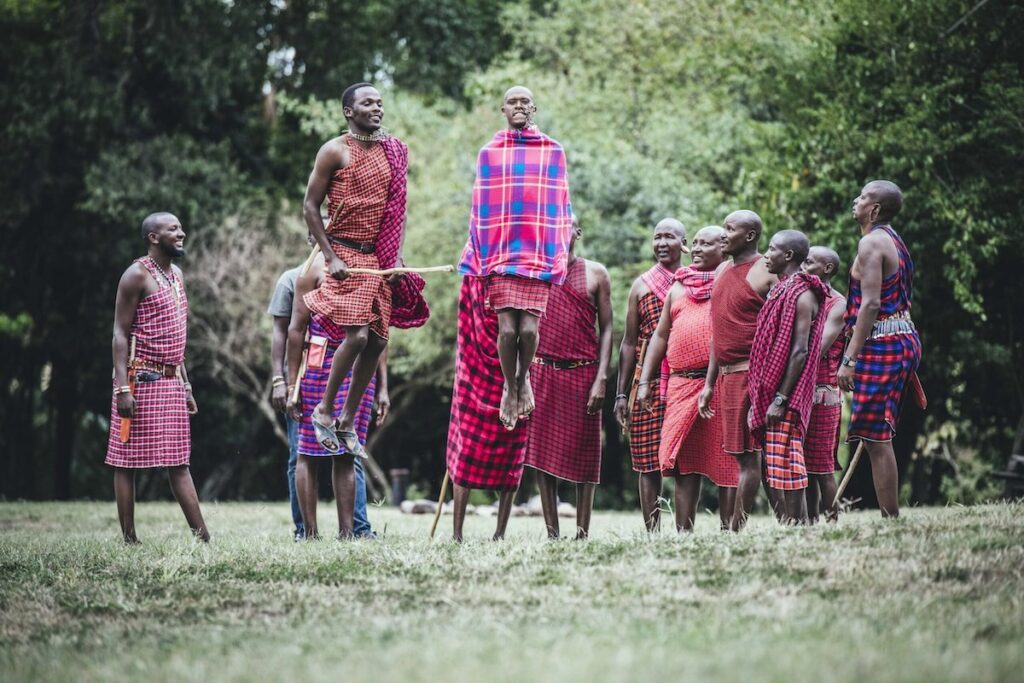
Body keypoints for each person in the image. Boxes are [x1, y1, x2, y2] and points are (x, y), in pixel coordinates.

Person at [303, 82, 428, 455]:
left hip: (378, 261)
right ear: (348, 111)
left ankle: (346, 421)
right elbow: (310, 207)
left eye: (379, 102)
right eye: (367, 103)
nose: (377, 108)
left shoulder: (393, 152)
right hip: (343, 253)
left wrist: (396, 258)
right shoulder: (334, 151)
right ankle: (324, 412)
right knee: (356, 337)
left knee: (378, 340)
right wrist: (331, 257)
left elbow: (398, 213)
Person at [457, 85, 574, 430]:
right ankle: (512, 386)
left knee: (529, 332)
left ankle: (523, 379)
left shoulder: (553, 151)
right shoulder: (489, 153)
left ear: (534, 108)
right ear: (503, 110)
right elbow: (480, 208)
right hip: (501, 253)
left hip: (537, 253)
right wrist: (476, 252)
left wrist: (560, 250)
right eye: (512, 101)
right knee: (508, 332)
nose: (519, 106)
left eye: (525, 101)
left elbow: (561, 205)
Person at [106, 212, 209, 543]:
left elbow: (177, 338)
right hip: (138, 380)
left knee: (179, 461)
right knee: (126, 462)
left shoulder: (177, 274)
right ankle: (129, 537)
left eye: (180, 227)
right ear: (153, 237)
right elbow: (120, 335)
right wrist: (122, 388)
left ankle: (203, 538)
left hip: (172, 380)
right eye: (173, 229)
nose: (182, 233)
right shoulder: (135, 275)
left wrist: (187, 384)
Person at [637, 226, 738, 531]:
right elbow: (660, 335)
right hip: (681, 385)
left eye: (705, 245)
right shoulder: (678, 287)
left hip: (721, 383)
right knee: (682, 460)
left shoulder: (732, 283)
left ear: (724, 248)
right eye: (694, 244)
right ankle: (684, 531)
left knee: (728, 459)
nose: (695, 249)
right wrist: (644, 381)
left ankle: (728, 529)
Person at [285, 251, 388, 539]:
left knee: (346, 452)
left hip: (357, 370)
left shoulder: (371, 264)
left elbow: (380, 332)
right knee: (307, 451)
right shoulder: (311, 270)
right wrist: (292, 384)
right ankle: (310, 533)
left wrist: (383, 386)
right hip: (318, 365)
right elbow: (296, 329)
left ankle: (348, 532)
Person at [523, 216, 613, 539]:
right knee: (540, 454)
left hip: (583, 372)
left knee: (585, 453)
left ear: (578, 232)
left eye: (566, 225)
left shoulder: (596, 273)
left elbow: (607, 330)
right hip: (542, 370)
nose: (560, 230)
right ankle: (552, 531)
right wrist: (523, 378)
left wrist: (602, 376)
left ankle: (583, 531)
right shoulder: (536, 270)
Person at [838, 180, 922, 518]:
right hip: (902, 337)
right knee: (876, 432)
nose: (855, 201)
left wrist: (849, 358)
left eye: (862, 197)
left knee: (875, 435)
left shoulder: (872, 242)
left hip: (884, 342)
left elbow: (871, 304)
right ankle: (889, 513)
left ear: (874, 210)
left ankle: (890, 516)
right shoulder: (894, 240)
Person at [698, 210, 778, 531]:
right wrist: (708, 382)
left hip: (754, 376)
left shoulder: (767, 271)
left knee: (753, 458)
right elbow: (719, 332)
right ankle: (788, 521)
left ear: (749, 236)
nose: (722, 235)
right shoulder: (720, 271)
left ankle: (735, 529)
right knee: (741, 455)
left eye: (729, 229)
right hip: (726, 376)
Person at [747, 230, 827, 524]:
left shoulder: (802, 294)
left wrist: (780, 398)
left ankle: (800, 524)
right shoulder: (781, 289)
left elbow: (799, 352)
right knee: (778, 459)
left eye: (771, 249)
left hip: (789, 393)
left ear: (789, 256)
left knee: (790, 459)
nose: (766, 255)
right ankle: (797, 523)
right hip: (774, 390)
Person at [614, 218, 688, 531]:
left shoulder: (695, 281)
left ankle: (685, 528)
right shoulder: (642, 285)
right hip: (646, 381)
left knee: (686, 458)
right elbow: (629, 343)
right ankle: (652, 530)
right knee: (647, 460)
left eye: (669, 237)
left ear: (684, 243)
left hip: (686, 376)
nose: (660, 244)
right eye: (657, 237)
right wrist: (621, 393)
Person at [446, 276, 528, 542]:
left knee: (512, 444)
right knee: (467, 446)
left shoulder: (524, 263)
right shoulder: (473, 269)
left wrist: (519, 377)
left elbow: (527, 329)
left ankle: (500, 533)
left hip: (518, 367)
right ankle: (456, 533)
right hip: (474, 368)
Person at [800, 246, 846, 522]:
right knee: (803, 465)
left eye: (809, 262)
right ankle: (809, 522)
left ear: (827, 269)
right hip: (803, 390)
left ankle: (833, 521)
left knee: (822, 466)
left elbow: (817, 348)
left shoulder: (838, 304)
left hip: (823, 393)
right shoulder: (808, 298)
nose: (803, 268)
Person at [268, 260, 306, 541]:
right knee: (298, 454)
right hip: (299, 379)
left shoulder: (350, 276)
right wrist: (280, 380)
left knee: (349, 456)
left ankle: (359, 528)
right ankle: (303, 530)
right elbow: (280, 332)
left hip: (339, 377)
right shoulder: (291, 280)